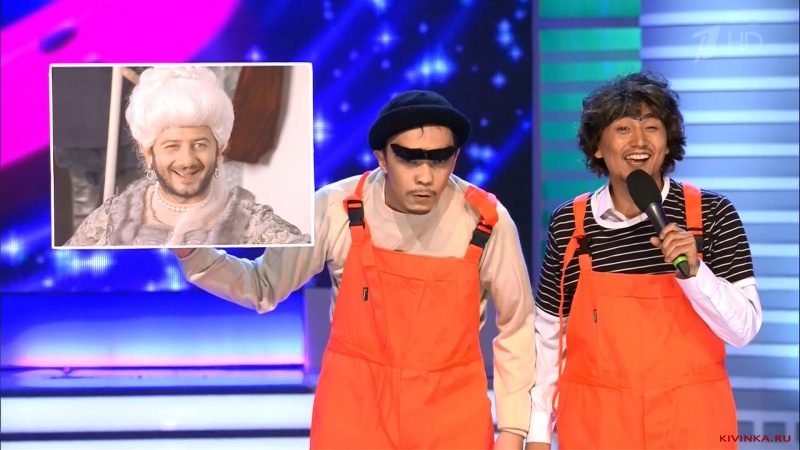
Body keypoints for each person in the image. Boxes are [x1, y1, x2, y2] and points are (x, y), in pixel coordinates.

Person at [173, 90, 536, 449]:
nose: (425, 176)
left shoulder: (485, 221)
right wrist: (194, 255)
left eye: (439, 159)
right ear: (382, 157)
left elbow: (517, 324)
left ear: (455, 158)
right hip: (354, 416)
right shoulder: (334, 209)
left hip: (452, 419)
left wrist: (514, 429)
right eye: (409, 159)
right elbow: (263, 285)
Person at [525, 72, 763, 450]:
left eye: (652, 127)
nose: (639, 141)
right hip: (597, 426)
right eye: (623, 128)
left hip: (692, 425)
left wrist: (695, 273)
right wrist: (538, 434)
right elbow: (550, 336)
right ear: (597, 146)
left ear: (667, 144)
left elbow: (743, 329)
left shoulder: (713, 214)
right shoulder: (570, 224)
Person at [65, 66, 310, 247]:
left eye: (200, 144)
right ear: (148, 152)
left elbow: (310, 279)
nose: (187, 161)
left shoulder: (252, 224)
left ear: (219, 148)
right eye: (172, 146)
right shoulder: (111, 218)